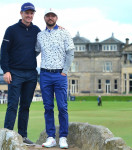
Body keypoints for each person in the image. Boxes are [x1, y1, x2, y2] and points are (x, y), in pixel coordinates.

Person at [0, 2, 41, 145]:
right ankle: (7, 136)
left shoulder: (37, 30)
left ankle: (22, 136)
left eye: (31, 13)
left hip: (31, 74)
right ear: (21, 13)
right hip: (15, 73)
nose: (29, 15)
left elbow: (46, 41)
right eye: (26, 13)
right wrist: (6, 71)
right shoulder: (11, 30)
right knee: (12, 105)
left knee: (25, 106)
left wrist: (57, 28)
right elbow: (3, 52)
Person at [35, 8, 75, 149]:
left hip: (59, 74)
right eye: (48, 16)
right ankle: (51, 137)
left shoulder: (64, 32)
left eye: (53, 16)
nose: (50, 18)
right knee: (48, 107)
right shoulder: (40, 35)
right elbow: (35, 51)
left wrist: (64, 71)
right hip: (45, 74)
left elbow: (70, 53)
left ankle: (63, 137)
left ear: (56, 18)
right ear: (45, 18)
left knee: (62, 107)